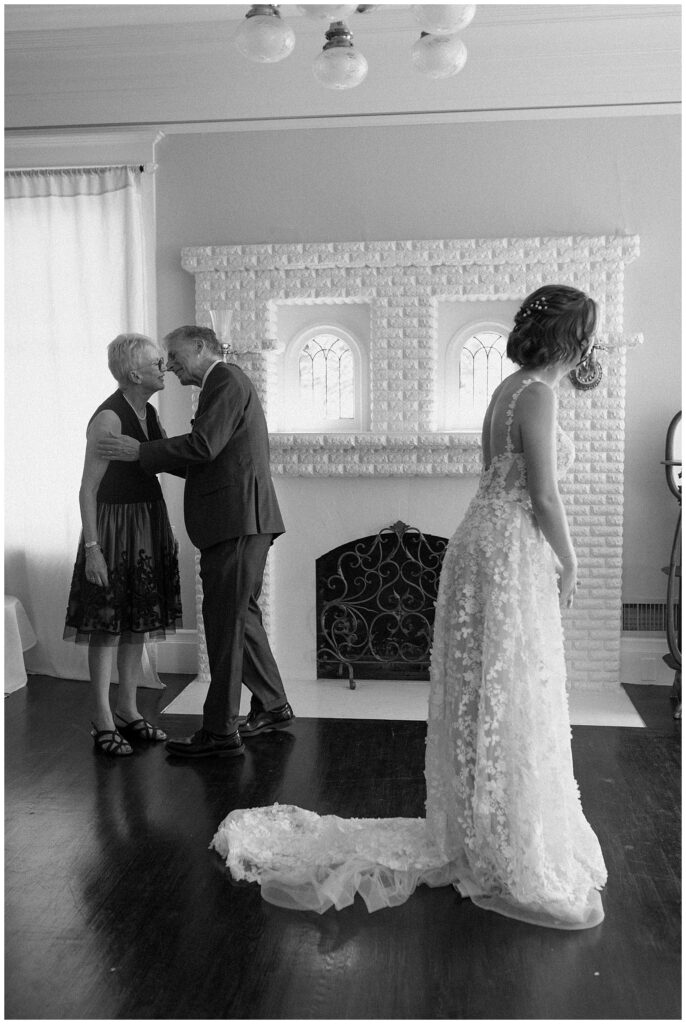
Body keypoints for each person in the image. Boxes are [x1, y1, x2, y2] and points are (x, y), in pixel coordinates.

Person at [209, 285, 607, 930]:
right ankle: (504, 843)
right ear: (576, 338)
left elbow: (499, 479)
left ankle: (486, 831)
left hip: (484, 539)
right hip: (509, 551)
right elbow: (545, 495)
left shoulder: (509, 389)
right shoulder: (536, 393)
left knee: (491, 687)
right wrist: (572, 559)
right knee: (508, 684)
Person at [97, 326, 293, 759]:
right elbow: (211, 459)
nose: (170, 364)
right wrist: (153, 453)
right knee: (240, 618)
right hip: (240, 520)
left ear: (202, 347)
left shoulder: (225, 380)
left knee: (225, 625)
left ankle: (221, 733)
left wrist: (142, 453)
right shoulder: (224, 383)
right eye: (163, 358)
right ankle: (274, 706)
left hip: (236, 521)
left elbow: (203, 447)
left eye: (174, 354)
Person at [64, 333, 182, 757]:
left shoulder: (148, 412)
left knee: (136, 622)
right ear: (134, 373)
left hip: (147, 523)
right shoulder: (108, 419)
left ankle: (128, 710)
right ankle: (101, 718)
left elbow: (160, 460)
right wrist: (93, 547)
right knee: (107, 626)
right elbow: (87, 489)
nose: (163, 368)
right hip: (113, 531)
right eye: (156, 363)